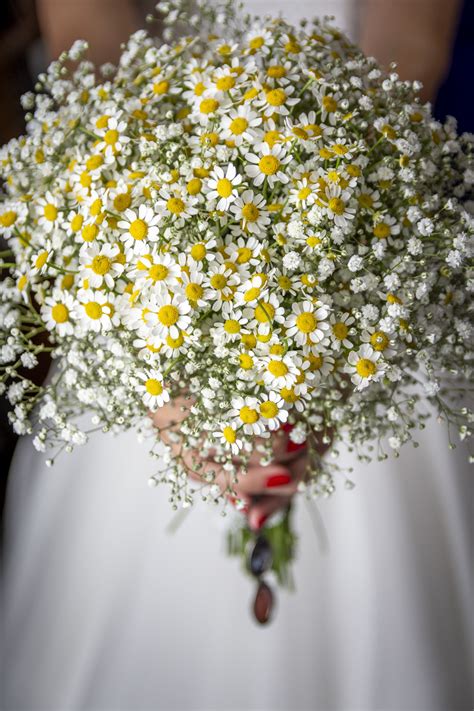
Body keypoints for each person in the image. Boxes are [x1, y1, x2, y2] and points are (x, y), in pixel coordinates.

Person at [1, 1, 472, 710]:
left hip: (356, 206)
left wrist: (331, 315)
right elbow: (84, 35)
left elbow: (411, 40)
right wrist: (151, 334)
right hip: (142, 225)